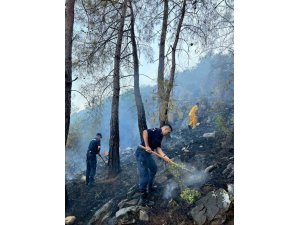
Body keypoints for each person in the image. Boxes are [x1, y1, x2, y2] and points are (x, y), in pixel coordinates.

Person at [135, 124, 172, 205]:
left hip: (147, 155)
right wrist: (147, 146)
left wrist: (165, 157)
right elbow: (145, 132)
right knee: (144, 175)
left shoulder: (160, 136)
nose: (167, 134)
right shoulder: (157, 130)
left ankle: (150, 187)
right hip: (141, 153)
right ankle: (143, 198)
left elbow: (158, 148)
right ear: (165, 129)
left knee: (153, 169)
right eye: (168, 132)